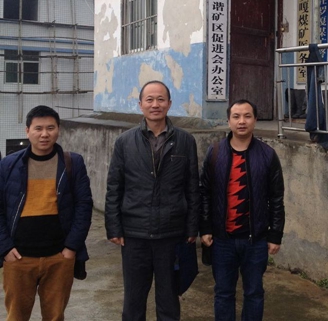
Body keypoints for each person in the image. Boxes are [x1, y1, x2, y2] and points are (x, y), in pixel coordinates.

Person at [105, 80, 200, 321]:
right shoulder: (125, 142)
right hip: (135, 233)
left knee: (168, 300)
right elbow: (115, 187)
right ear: (140, 105)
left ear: (169, 103)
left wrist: (192, 227)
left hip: (171, 233)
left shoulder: (185, 141)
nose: (155, 104)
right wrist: (114, 227)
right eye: (149, 99)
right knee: (134, 300)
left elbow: (192, 187)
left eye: (160, 99)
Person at [0, 105, 93, 321]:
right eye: (38, 128)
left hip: (58, 257)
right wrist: (5, 248)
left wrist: (71, 248)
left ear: (58, 129)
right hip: (19, 258)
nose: (44, 134)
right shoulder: (8, 165)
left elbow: (84, 206)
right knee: (16, 316)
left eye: (50, 128)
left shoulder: (72, 163)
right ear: (27, 131)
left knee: (55, 316)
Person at [200, 99, 285, 321]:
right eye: (236, 116)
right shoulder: (215, 152)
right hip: (222, 240)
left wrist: (275, 234)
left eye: (247, 116)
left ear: (255, 120)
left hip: (255, 240)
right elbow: (205, 193)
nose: (241, 121)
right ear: (228, 121)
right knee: (223, 293)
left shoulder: (267, 155)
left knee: (254, 293)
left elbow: (276, 197)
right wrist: (205, 227)